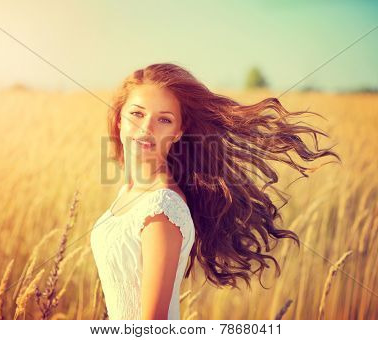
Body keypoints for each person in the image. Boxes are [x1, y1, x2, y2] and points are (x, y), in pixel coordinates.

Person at [90, 63, 340, 320]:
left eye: (164, 119)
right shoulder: (129, 191)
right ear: (120, 119)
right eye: (137, 114)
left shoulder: (161, 209)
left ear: (178, 132)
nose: (146, 129)